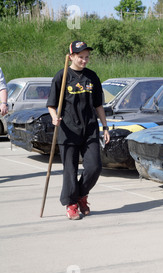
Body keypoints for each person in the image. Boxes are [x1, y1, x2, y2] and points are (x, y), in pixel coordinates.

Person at [48, 41, 110, 220]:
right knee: (70, 170)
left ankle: (81, 195)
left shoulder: (92, 77)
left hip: (90, 129)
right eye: (80, 57)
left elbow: (98, 105)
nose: (84, 60)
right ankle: (71, 204)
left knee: (95, 167)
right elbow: (51, 104)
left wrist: (105, 127)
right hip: (68, 130)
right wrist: (54, 117)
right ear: (71, 57)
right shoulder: (62, 76)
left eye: (87, 57)